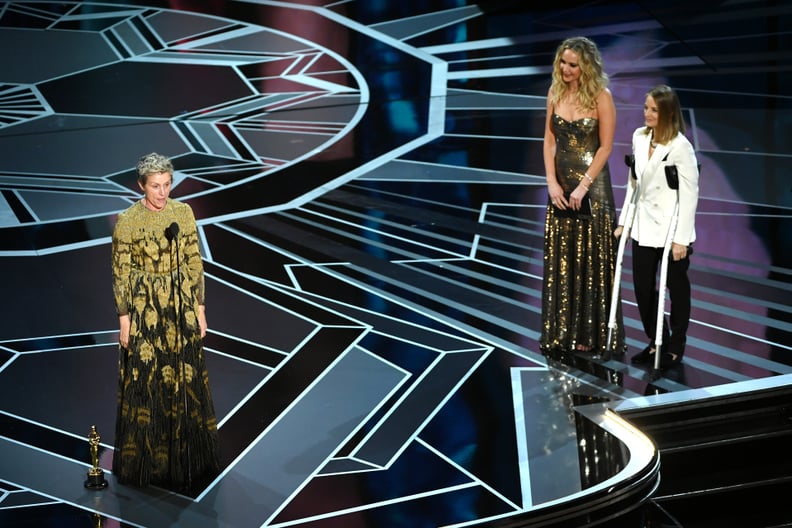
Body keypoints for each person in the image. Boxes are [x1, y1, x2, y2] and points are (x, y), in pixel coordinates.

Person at [111, 152, 220, 490]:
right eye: (155, 186)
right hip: (145, 307)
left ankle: (189, 460)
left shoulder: (182, 213)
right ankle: (148, 464)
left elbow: (193, 260)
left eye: (167, 184)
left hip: (180, 303)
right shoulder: (128, 220)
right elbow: (121, 272)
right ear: (141, 185)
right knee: (148, 382)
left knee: (186, 380)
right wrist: (125, 319)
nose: (162, 192)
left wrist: (199, 309)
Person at [540, 36, 623, 358]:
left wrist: (583, 185)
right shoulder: (554, 93)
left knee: (591, 258)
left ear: (585, 67)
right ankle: (561, 329)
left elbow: (605, 147)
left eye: (573, 65)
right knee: (563, 258)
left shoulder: (602, 97)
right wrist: (552, 183)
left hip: (593, 188)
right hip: (560, 187)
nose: (566, 69)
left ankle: (591, 331)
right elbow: (548, 141)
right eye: (563, 62)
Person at [616, 85, 699, 369]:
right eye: (646, 108)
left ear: (667, 113)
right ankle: (656, 341)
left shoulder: (680, 146)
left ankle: (675, 346)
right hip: (643, 227)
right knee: (641, 288)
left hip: (671, 229)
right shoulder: (639, 137)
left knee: (676, 289)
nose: (648, 114)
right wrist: (623, 222)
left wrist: (681, 240)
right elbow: (633, 184)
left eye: (654, 110)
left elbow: (689, 195)